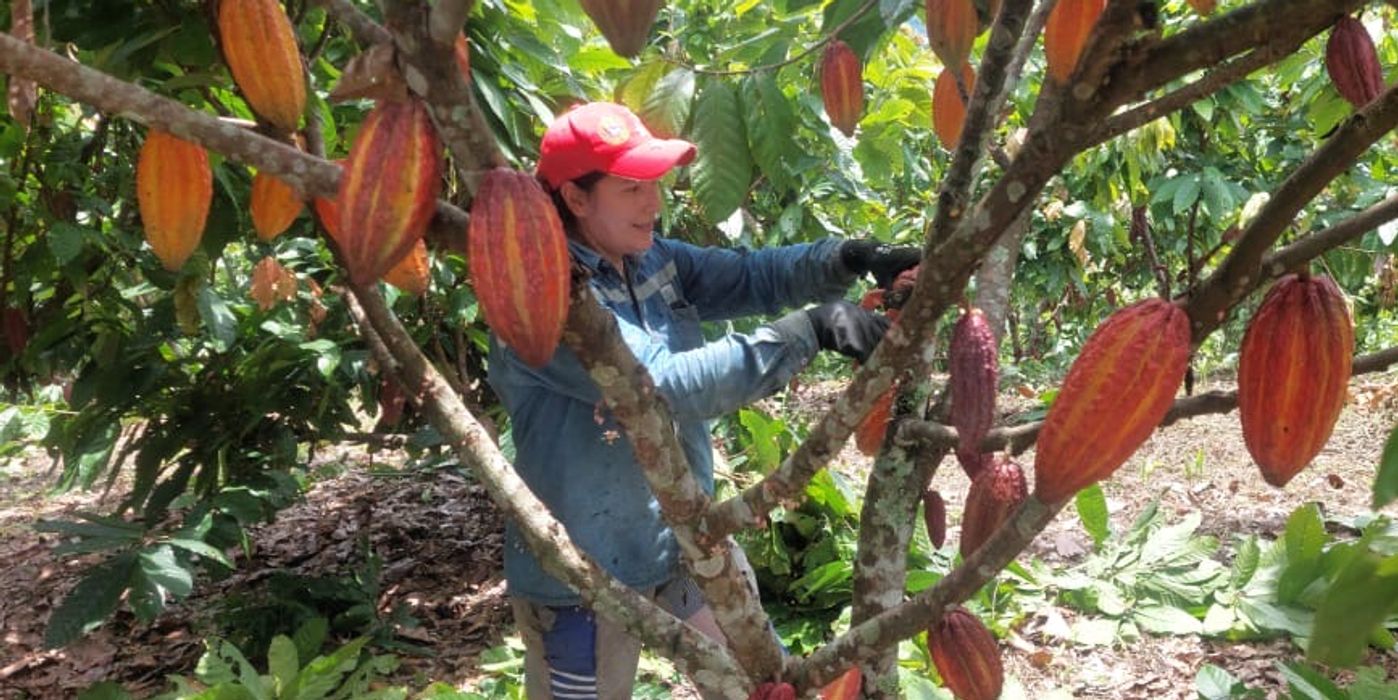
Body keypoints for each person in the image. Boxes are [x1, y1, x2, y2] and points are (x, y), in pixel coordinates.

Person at [485, 101, 920, 699]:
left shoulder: (649, 259)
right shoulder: (543, 302)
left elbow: (751, 276)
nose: (654, 203)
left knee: (765, 684)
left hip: (683, 537)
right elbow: (661, 387)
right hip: (585, 572)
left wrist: (850, 257)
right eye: (632, 188)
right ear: (577, 199)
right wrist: (811, 330)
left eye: (654, 185)